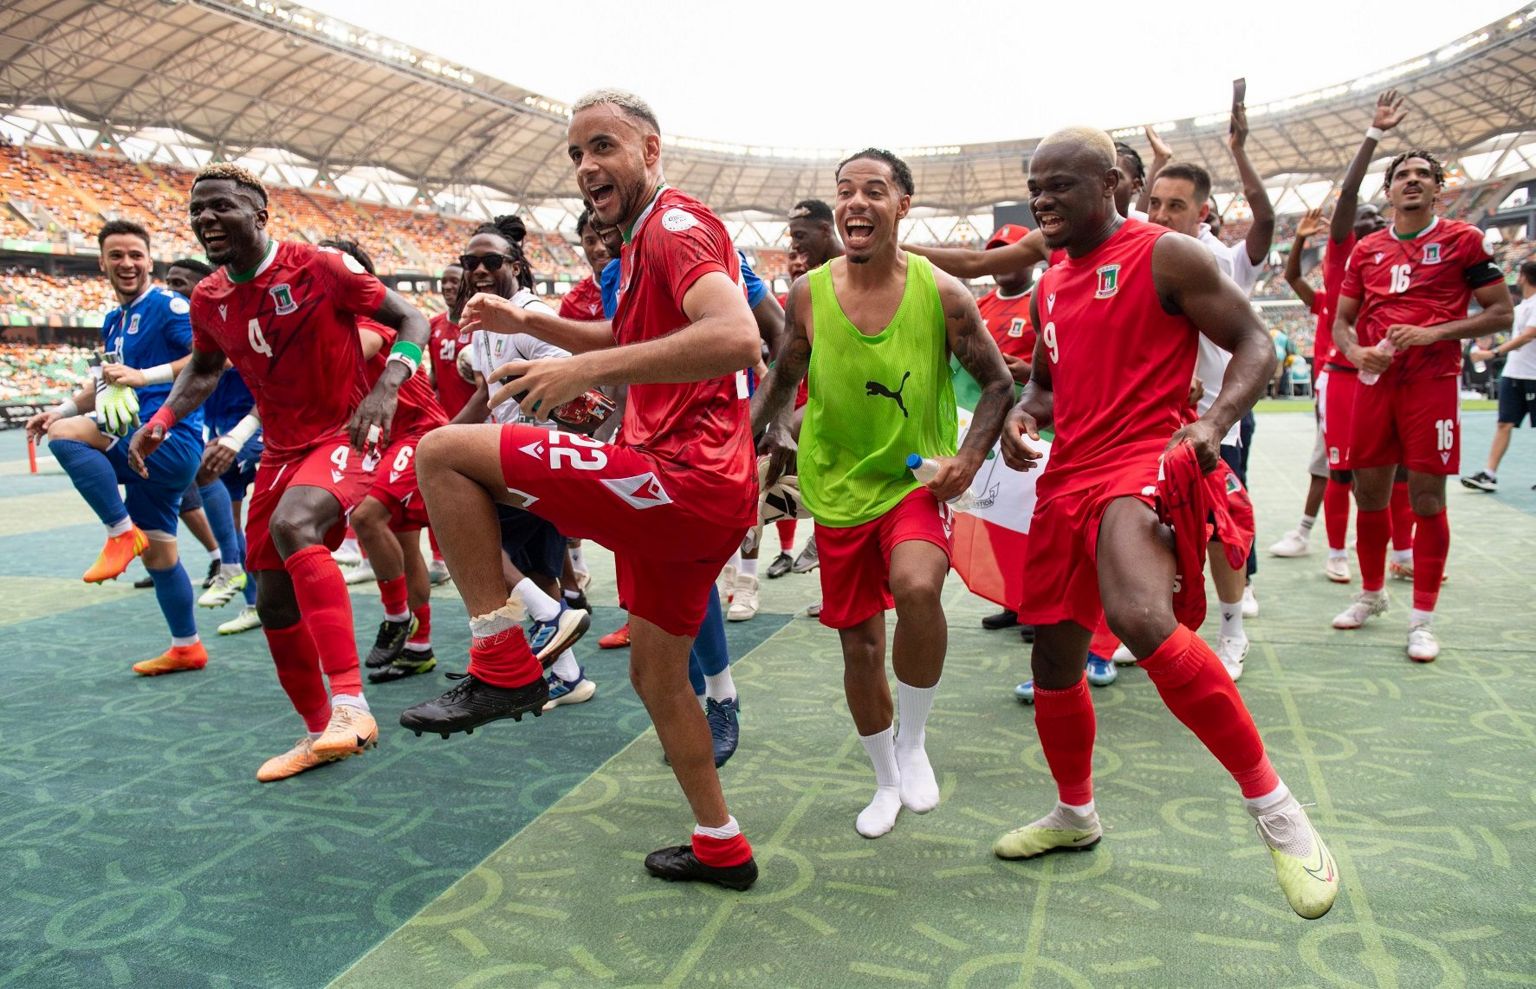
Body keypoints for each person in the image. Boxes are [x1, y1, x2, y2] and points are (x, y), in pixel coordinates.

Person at [397, 90, 762, 889]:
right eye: (576, 154)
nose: (587, 166)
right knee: (657, 676)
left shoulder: (671, 224)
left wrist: (580, 371)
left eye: (603, 146)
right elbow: (632, 335)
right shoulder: (642, 243)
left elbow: (737, 335)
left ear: (651, 149)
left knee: (443, 452)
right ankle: (721, 843)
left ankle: (504, 655)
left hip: (682, 479)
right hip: (695, 489)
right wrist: (547, 334)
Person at [992, 127, 1337, 921]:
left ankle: (1280, 813)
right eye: (1034, 185)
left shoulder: (1168, 255)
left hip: (1143, 456)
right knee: (1053, 658)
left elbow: (1258, 342)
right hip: (1067, 477)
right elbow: (1045, 386)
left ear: (1112, 181)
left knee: (1140, 615)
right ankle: (1075, 814)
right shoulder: (1049, 283)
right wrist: (1021, 418)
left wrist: (1214, 420)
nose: (1043, 198)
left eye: (1061, 184)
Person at [128, 162, 433, 782]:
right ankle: (321, 732)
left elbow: (412, 320)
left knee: (297, 525)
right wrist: (162, 417)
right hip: (280, 450)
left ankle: (352, 705)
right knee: (271, 602)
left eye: (221, 206)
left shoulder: (320, 266)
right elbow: (206, 369)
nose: (206, 218)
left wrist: (387, 391)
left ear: (259, 214)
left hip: (345, 433)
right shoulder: (210, 296)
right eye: (197, 210)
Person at [755, 148, 1012, 838]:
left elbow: (997, 383)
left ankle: (915, 739)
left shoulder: (944, 293)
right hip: (836, 487)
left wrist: (967, 457)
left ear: (904, 205)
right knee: (859, 647)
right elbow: (784, 376)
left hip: (912, 478)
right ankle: (885, 777)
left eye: (875, 190)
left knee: (919, 586)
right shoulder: (807, 294)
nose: (857, 202)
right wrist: (751, 440)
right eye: (846, 190)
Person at [1331, 148, 1512, 661]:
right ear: (1387, 191)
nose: (1411, 181)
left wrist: (1432, 333)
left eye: (1422, 175)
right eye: (1401, 176)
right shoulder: (1366, 250)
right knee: (1369, 493)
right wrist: (1355, 351)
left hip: (1431, 382)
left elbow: (1501, 313)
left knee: (1428, 499)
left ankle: (1423, 620)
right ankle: (1371, 594)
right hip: (1376, 381)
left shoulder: (1463, 240)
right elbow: (1342, 322)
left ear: (1439, 189)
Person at [26, 220, 208, 676]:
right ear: (102, 262)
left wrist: (145, 377)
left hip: (167, 435)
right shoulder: (115, 319)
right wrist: (61, 408)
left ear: (150, 261)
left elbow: (208, 358)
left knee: (66, 438)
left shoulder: (169, 306)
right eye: (117, 255)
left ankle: (119, 531)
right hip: (137, 439)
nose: (127, 264)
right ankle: (187, 647)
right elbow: (106, 383)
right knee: (161, 554)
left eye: (135, 255)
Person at [1143, 106, 1272, 679]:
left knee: (1221, 526)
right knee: (1156, 524)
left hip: (1216, 415)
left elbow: (1263, 227)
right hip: (1157, 417)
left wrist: (1239, 150)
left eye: (1176, 205)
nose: (1162, 215)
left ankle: (1232, 630)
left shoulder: (1221, 259)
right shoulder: (1139, 256)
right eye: (1155, 204)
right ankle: (1160, 627)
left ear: (1204, 213)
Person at [449, 217, 597, 708]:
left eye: (492, 261)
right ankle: (567, 674)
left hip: (537, 455)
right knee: (536, 565)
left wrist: (561, 448)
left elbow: (575, 385)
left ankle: (545, 617)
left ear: (516, 265)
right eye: (471, 263)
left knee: (465, 532)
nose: (479, 270)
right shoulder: (484, 323)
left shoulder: (529, 314)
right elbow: (489, 395)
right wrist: (446, 434)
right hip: (511, 454)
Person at [1272, 92, 1404, 585]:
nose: (1368, 226)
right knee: (1337, 468)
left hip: (1395, 378)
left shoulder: (1396, 261)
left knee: (1399, 471)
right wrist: (1373, 136)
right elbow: (1347, 201)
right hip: (1343, 377)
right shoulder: (1342, 261)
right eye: (1361, 222)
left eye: (1377, 220)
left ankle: (1403, 554)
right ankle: (1333, 550)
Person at [311, 238, 450, 686]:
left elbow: (352, 353)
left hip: (418, 433)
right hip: (388, 440)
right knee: (406, 547)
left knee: (368, 519)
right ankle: (419, 647)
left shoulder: (371, 320)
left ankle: (397, 618)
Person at [958, 223, 1038, 633]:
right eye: (996, 250)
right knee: (997, 512)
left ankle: (1039, 604)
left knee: (1033, 518)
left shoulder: (1042, 299)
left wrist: (1030, 371)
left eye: (1009, 249)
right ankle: (1013, 601)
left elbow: (1060, 361)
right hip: (988, 423)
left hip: (1034, 424)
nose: (1003, 258)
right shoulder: (981, 305)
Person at [1463, 259, 1536, 492]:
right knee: (1504, 423)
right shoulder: (1521, 306)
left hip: (1533, 376)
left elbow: (1528, 335)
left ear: (1523, 277)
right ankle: (1489, 474)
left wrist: (1492, 353)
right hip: (1514, 374)